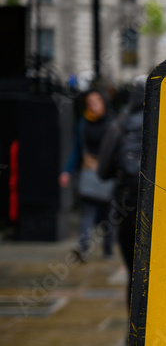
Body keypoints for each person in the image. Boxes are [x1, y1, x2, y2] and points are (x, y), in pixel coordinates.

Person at [98, 77, 145, 310]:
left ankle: (135, 327)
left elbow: (103, 171)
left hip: (129, 207)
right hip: (165, 209)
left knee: (134, 272)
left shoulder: (120, 125)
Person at [60, 90, 115, 262]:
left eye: (96, 102)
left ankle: (108, 249)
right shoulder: (83, 123)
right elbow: (77, 150)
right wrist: (67, 171)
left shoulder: (113, 123)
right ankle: (83, 247)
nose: (93, 106)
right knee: (87, 213)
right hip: (89, 171)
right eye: (90, 103)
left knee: (108, 215)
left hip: (109, 173)